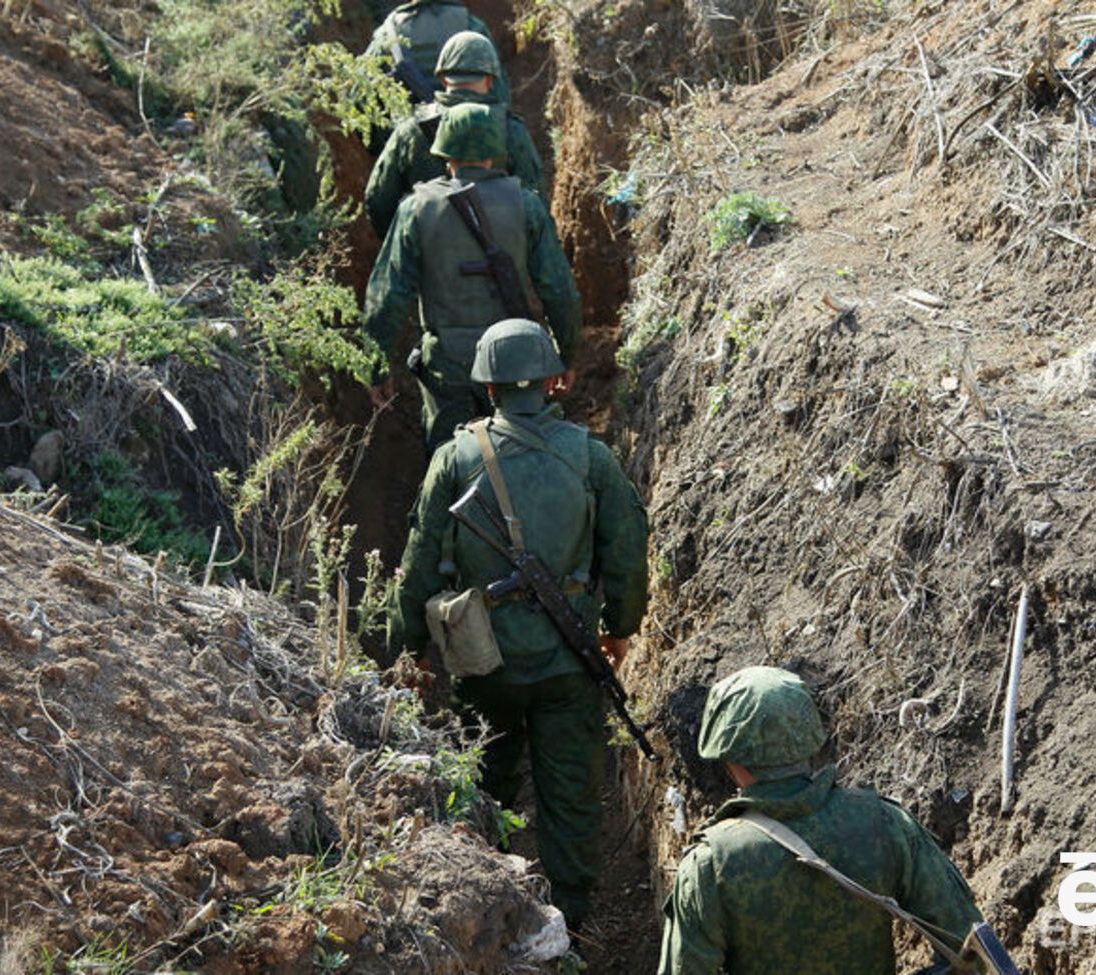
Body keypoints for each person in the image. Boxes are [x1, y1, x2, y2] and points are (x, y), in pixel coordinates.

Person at [384, 319, 649, 926]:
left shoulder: (454, 458)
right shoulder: (593, 458)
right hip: (570, 662)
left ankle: (490, 921)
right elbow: (628, 554)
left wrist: (410, 653)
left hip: (484, 662)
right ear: (553, 381)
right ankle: (572, 931)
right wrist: (618, 627)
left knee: (483, 786)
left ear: (489, 387)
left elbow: (418, 564)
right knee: (572, 803)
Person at [659, 666, 987, 975]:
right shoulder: (885, 823)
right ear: (810, 736)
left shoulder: (709, 865)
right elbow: (971, 949)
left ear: (727, 754)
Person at [363, 103, 582, 454]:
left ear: (443, 153)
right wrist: (565, 356)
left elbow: (387, 295)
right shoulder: (527, 205)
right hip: (518, 361)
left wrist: (375, 366)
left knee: (450, 467)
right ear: (495, 151)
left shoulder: (414, 210)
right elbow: (558, 289)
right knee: (523, 459)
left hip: (448, 366)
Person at [365, 30, 546, 241]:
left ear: (443, 79)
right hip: (503, 259)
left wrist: (406, 246)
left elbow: (378, 200)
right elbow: (537, 202)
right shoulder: (511, 130)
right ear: (489, 80)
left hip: (430, 259)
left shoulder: (410, 130)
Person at [366, 0, 510, 107]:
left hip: (411, 138)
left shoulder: (388, 33)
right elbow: (501, 94)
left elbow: (361, 96)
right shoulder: (473, 26)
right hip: (474, 134)